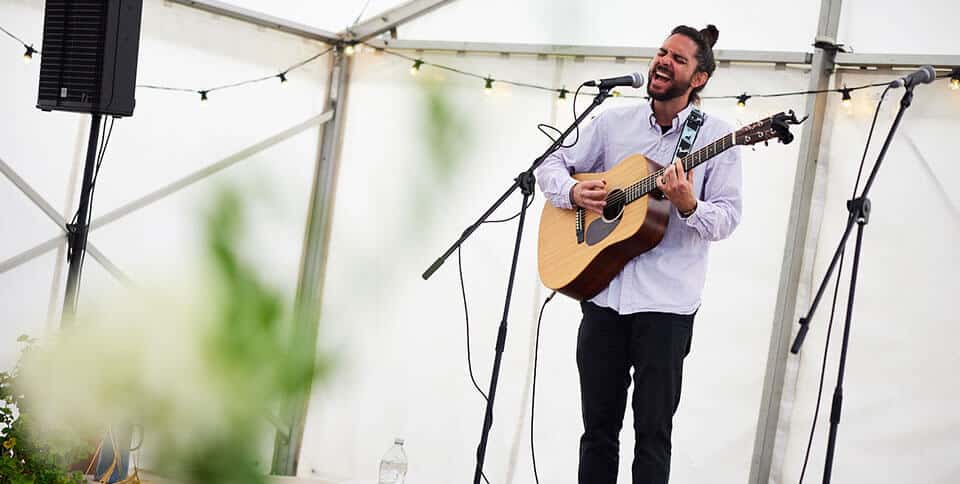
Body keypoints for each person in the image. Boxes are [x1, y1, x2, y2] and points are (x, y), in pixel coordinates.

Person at [534, 25, 742, 484]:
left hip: (666, 308)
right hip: (604, 298)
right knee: (597, 433)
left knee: (652, 436)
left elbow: (726, 219)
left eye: (679, 59)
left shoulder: (720, 137)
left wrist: (688, 204)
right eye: (662, 53)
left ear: (700, 78)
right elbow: (549, 162)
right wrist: (571, 190)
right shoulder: (612, 123)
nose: (663, 62)